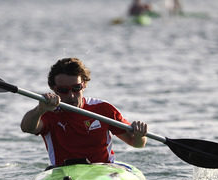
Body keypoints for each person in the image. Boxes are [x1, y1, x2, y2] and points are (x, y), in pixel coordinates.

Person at [20, 58, 148, 168]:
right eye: (63, 90)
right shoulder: (47, 112)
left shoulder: (102, 109)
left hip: (103, 172)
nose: (71, 95)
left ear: (84, 84)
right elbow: (26, 128)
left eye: (76, 88)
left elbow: (137, 144)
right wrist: (40, 109)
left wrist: (139, 135)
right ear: (53, 89)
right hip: (63, 174)